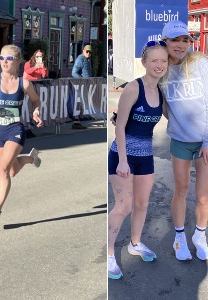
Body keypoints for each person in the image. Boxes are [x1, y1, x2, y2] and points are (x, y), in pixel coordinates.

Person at [108, 40, 169, 279]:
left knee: (142, 205)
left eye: (163, 60)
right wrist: (123, 160)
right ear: (144, 63)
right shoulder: (134, 88)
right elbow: (119, 126)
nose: (159, 65)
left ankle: (135, 244)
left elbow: (174, 117)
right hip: (123, 156)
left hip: (146, 157)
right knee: (124, 206)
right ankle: (111, 254)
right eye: (154, 60)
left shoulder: (161, 91)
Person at [0, 44, 43, 225]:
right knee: (11, 171)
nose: (4, 61)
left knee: (2, 169)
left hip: (15, 130)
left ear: (18, 61)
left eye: (9, 58)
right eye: (2, 58)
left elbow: (36, 101)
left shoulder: (24, 83)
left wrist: (35, 112)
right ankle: (30, 159)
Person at [159, 20, 208, 261]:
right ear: (165, 42)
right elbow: (146, 94)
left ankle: (200, 235)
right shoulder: (161, 69)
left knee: (203, 195)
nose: (180, 45)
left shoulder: (200, 63)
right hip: (179, 139)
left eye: (185, 40)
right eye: (175, 40)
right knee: (181, 189)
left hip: (204, 141)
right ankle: (179, 238)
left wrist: (207, 141)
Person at [23, 49, 48, 138]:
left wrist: (43, 67)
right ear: (34, 56)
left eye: (40, 57)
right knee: (28, 106)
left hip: (37, 84)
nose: (39, 58)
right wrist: (35, 67)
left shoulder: (41, 64)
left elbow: (44, 75)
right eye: (37, 56)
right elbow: (27, 72)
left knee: (36, 106)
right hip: (29, 85)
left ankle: (30, 127)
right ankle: (26, 128)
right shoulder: (28, 63)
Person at [71, 44, 92, 130]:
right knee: (78, 103)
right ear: (83, 51)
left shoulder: (87, 59)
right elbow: (74, 72)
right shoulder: (80, 59)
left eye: (90, 52)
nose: (88, 53)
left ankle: (77, 121)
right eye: (87, 52)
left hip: (85, 84)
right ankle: (76, 122)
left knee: (81, 103)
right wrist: (82, 80)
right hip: (80, 84)